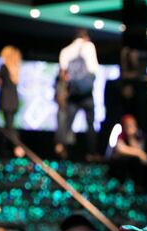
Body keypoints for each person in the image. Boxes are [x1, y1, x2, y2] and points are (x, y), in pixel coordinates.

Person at [55, 29, 99, 160]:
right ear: (85, 37)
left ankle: (63, 150)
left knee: (67, 123)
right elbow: (94, 69)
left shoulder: (65, 51)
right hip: (86, 94)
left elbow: (63, 75)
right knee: (90, 124)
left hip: (72, 93)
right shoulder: (89, 46)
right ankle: (91, 153)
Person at [0, 46, 25, 158]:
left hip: (6, 100)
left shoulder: (4, 67)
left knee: (9, 126)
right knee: (9, 125)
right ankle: (10, 148)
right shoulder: (15, 69)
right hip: (14, 100)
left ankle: (16, 147)